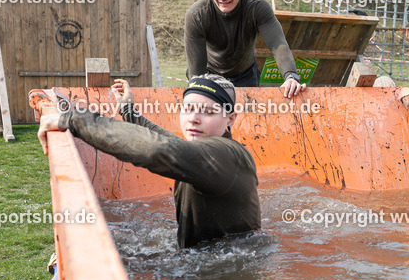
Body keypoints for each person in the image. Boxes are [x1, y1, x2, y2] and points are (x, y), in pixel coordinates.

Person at [37, 76, 260, 249]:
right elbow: (169, 142)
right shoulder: (208, 154)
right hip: (216, 259)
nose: (193, 118)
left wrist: (75, 120)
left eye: (208, 112)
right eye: (188, 108)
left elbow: (159, 149)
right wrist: (128, 110)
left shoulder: (226, 155)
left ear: (231, 118)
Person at [185, 0, 306, 99]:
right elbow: (196, 68)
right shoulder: (197, 14)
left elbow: (277, 43)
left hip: (246, 75)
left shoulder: (257, 7)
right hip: (211, 75)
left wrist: (290, 76)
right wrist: (197, 85)